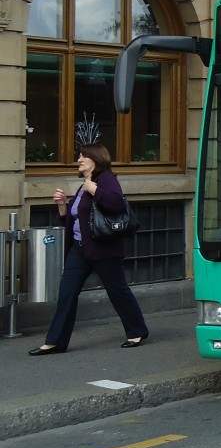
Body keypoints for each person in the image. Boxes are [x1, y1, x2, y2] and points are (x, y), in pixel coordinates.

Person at [29, 142, 149, 355]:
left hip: (103, 249)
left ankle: (137, 331)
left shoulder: (105, 180)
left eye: (83, 156)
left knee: (117, 291)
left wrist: (94, 190)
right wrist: (62, 206)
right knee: (67, 292)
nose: (79, 160)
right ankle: (56, 341)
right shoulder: (85, 183)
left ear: (96, 159)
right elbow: (79, 219)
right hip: (80, 249)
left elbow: (116, 205)